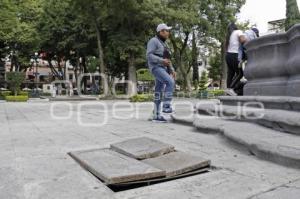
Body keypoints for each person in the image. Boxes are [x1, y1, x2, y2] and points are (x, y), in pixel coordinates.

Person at [146, 23, 176, 122]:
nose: (168, 33)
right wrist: (161, 61)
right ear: (161, 31)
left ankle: (156, 115)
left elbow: (167, 59)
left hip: (163, 68)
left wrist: (172, 69)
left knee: (158, 92)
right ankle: (166, 106)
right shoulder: (153, 41)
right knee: (170, 82)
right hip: (156, 67)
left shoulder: (165, 44)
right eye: (167, 31)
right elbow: (149, 55)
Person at [231, 27, 260, 95]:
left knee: (239, 74)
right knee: (240, 74)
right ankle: (232, 88)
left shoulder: (244, 35)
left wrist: (240, 60)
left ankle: (232, 88)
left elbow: (240, 49)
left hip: (240, 55)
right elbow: (256, 44)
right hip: (248, 54)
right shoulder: (253, 34)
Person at [225, 22, 247, 96]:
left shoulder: (229, 35)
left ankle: (228, 91)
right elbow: (243, 40)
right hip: (234, 55)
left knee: (230, 74)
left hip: (228, 56)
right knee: (240, 73)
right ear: (235, 27)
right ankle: (231, 89)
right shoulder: (238, 31)